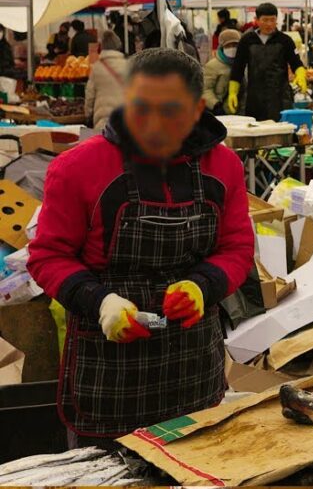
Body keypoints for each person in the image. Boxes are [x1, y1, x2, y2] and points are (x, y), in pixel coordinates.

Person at [27, 48, 252, 443]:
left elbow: (235, 247)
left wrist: (203, 286)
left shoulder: (225, 167)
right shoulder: (78, 168)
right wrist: (100, 302)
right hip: (108, 367)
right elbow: (49, 255)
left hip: (192, 362)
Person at [226, 3, 307, 121]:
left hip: (280, 96)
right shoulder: (247, 40)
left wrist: (300, 75)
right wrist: (232, 92)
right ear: (257, 20)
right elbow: (238, 68)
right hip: (255, 96)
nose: (269, 24)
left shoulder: (285, 40)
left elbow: (296, 63)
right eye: (265, 20)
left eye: (272, 20)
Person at [84, 31, 129, 132]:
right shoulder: (128, 65)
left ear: (102, 46)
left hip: (103, 120)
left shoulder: (97, 67)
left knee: (103, 146)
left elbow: (90, 95)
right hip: (125, 118)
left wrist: (88, 115)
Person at [203, 29, 239, 115]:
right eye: (228, 45)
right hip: (219, 112)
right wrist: (215, 105)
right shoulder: (212, 66)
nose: (232, 48)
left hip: (239, 114)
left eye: (235, 45)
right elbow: (205, 89)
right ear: (222, 46)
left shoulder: (242, 65)